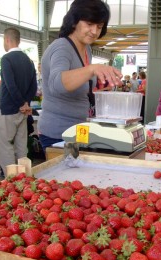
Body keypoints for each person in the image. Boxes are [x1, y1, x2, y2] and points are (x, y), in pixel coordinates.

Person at [37, 0, 122, 151]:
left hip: (78, 130)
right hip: (58, 134)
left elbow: (81, 84)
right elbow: (57, 83)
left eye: (99, 27)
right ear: (74, 21)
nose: (94, 31)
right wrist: (91, 69)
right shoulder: (62, 47)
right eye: (90, 24)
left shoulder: (86, 49)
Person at [0, 27, 37, 175]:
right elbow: (34, 86)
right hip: (23, 112)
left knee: (4, 146)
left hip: (8, 110)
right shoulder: (28, 61)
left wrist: (21, 103)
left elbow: (10, 85)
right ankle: (25, 179)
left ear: (7, 39)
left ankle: (11, 181)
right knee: (21, 148)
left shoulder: (6, 59)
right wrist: (26, 104)